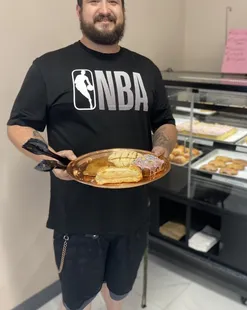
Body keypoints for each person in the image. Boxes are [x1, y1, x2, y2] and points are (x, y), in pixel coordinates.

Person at [6, 0, 177, 309]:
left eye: (113, 1)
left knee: (119, 291)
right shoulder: (49, 66)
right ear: (79, 11)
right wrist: (52, 157)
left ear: (123, 11)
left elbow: (164, 121)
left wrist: (162, 147)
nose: (105, 9)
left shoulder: (146, 69)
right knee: (76, 300)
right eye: (94, 1)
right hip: (77, 218)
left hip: (133, 214)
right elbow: (19, 126)